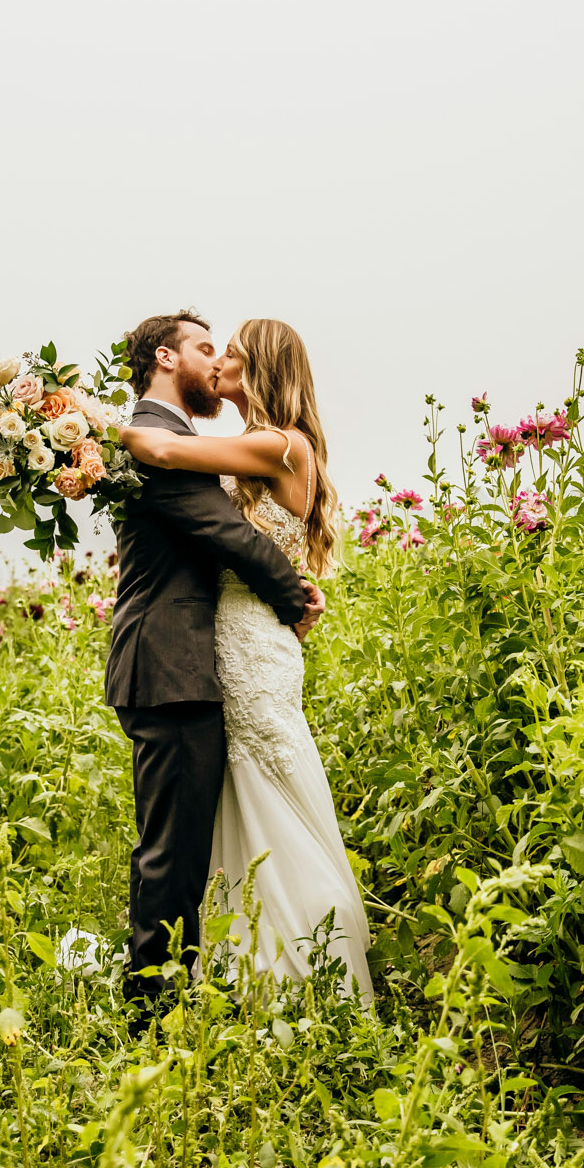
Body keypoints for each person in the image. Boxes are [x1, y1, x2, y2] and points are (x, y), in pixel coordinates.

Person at [120, 318, 374, 1004]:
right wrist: (295, 592)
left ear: (259, 364)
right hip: (231, 641)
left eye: (231, 350)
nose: (222, 359)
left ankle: (306, 967)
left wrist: (103, 430)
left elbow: (163, 454)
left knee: (269, 794)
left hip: (253, 647)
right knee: (240, 806)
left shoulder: (274, 442)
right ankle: (249, 970)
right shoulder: (256, 447)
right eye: (213, 347)